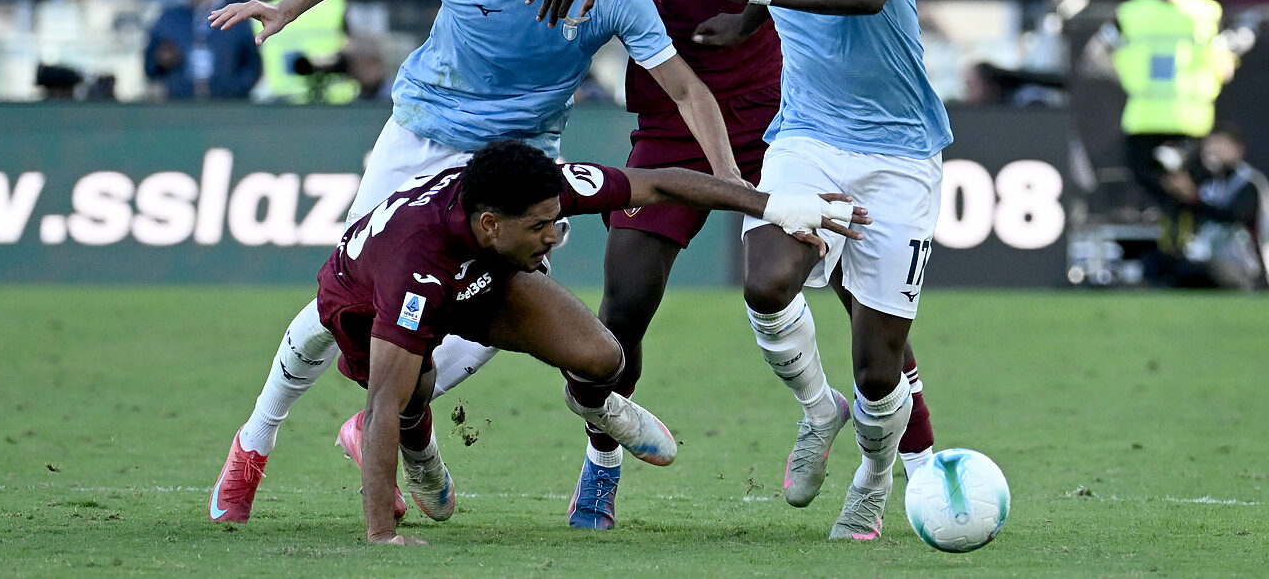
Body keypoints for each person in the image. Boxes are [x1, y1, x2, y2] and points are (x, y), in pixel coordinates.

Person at [207, 0, 743, 524]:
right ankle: (256, 440)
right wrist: (286, 8)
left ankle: (400, 425)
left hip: (518, 165)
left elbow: (687, 90)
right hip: (421, 139)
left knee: (496, 304)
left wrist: (738, 188)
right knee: (342, 303)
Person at [523, 0, 939, 530]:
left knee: (860, 295)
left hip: (772, 111)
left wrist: (751, 1)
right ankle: (604, 461)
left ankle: (916, 467)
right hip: (668, 116)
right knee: (625, 303)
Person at [210, 138, 868, 544]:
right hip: (361, 299)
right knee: (411, 392)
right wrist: (379, 534)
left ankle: (599, 405)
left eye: (556, 220)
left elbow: (661, 182)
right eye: (543, 228)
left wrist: (772, 203)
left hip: (482, 274)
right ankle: (425, 457)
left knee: (603, 356)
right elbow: (378, 401)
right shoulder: (415, 263)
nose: (556, 236)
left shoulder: (526, 197)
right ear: (493, 223)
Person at [673, 0, 953, 540]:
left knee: (877, 370)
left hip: (899, 157)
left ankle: (874, 474)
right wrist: (742, 17)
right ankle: (816, 410)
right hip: (808, 139)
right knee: (766, 281)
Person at [1110, 0, 1236, 211]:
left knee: (1178, 198)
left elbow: (1098, 55)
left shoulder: (1133, 13)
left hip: (1170, 127)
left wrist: (1126, 72)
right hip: (1180, 127)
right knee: (1180, 199)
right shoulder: (1207, 14)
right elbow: (1226, 68)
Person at [1155, 125, 1268, 289]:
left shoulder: (1249, 182)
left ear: (1237, 149)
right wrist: (1178, 193)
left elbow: (1233, 216)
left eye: (1219, 143)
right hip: (1211, 257)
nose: (1212, 150)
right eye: (1209, 144)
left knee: (1199, 271)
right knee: (1163, 262)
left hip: (1246, 265)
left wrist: (1193, 198)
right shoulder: (1212, 183)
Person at [145, 0, 262, 100]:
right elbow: (150, 66)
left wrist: (235, 89)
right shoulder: (170, 18)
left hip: (226, 105)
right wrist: (161, 62)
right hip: (180, 104)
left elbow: (253, 65)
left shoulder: (238, 12)